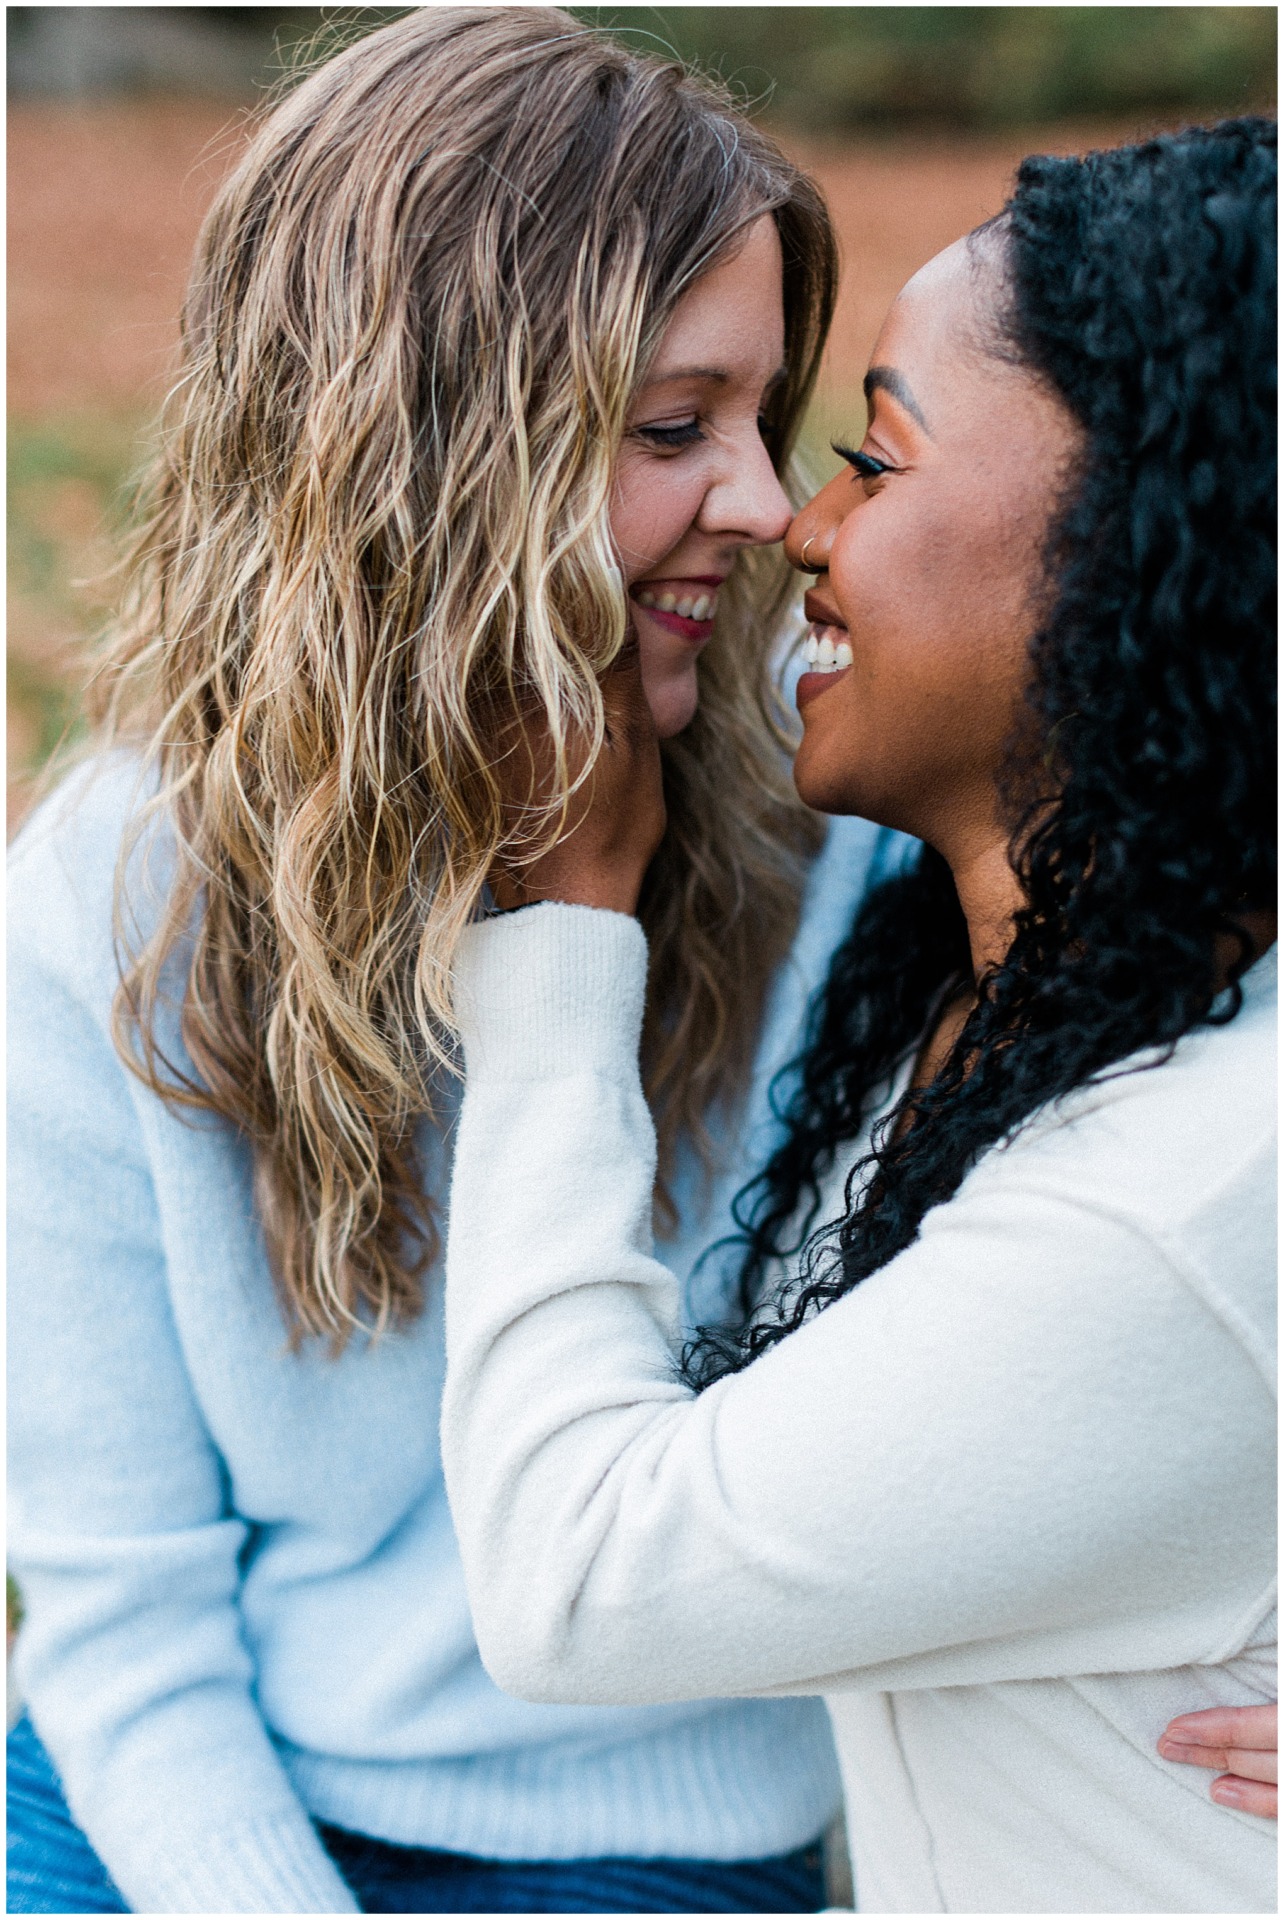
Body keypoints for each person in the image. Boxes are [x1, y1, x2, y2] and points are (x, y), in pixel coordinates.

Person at [7, 10, 869, 1913]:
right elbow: (120, 1610)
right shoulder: (115, 896)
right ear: (424, 451)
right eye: (672, 428)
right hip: (161, 1785)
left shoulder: (842, 840)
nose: (766, 504)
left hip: (647, 1833)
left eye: (764, 416)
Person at [439, 119, 1277, 1913]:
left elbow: (578, 1580)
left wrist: (573, 922)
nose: (792, 524)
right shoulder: (1008, 975)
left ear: (1150, 542)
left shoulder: (1181, 1193)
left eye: (872, 463)